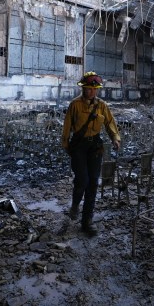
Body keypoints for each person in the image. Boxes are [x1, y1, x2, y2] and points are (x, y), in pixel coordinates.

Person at [62, 71, 121, 236]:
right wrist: (66, 145)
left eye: (94, 89)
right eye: (88, 88)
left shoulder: (102, 105)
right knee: (82, 180)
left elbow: (110, 123)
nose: (91, 92)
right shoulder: (75, 105)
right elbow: (67, 126)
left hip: (95, 146)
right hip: (78, 146)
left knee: (93, 182)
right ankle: (75, 205)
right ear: (83, 88)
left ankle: (87, 220)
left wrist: (115, 138)